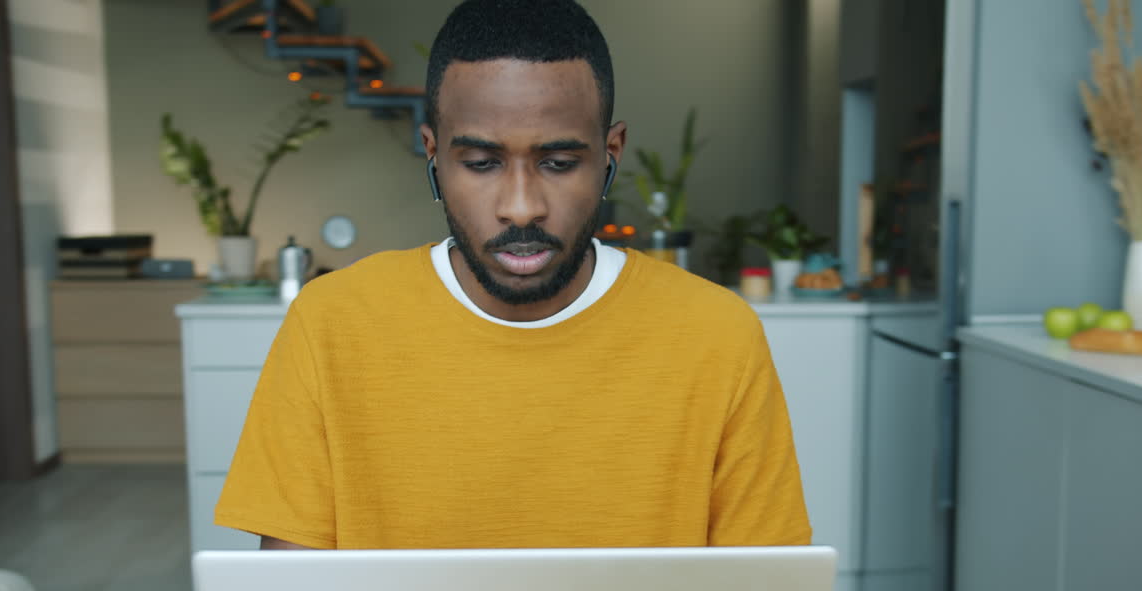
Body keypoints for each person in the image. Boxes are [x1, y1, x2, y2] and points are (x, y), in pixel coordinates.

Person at [214, 0, 811, 550]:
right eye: (480, 163)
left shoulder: (719, 337)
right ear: (432, 154)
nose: (521, 207)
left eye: (558, 162)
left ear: (611, 153)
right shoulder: (330, 324)